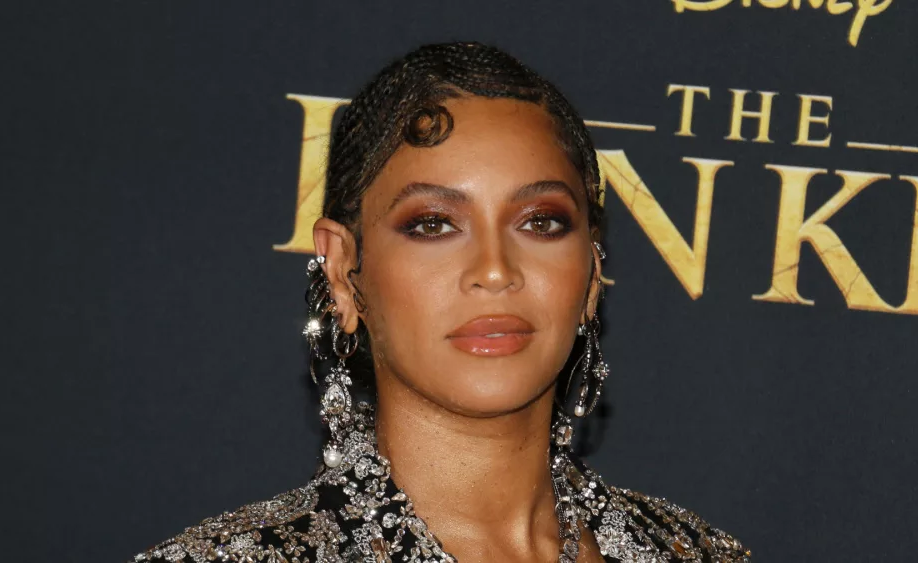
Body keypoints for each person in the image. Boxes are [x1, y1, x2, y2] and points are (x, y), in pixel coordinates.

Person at [129, 41, 751, 563]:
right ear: (345, 272)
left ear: (591, 271)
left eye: (540, 222)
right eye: (432, 224)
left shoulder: (694, 553)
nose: (493, 271)